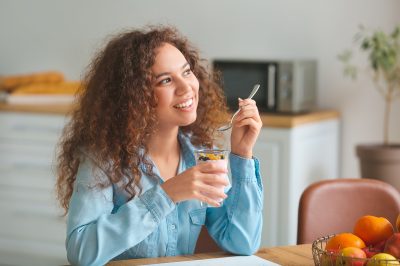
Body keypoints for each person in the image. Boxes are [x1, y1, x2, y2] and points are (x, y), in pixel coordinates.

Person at [56, 25, 263, 266]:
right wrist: (167, 194)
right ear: (134, 97)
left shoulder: (200, 153)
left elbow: (243, 242)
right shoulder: (103, 159)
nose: (186, 88)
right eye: (166, 80)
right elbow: (80, 253)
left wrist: (242, 154)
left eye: (187, 72)